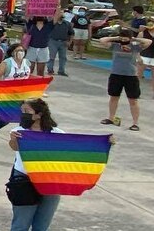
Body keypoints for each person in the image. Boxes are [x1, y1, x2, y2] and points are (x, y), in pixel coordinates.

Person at [8, 99, 116, 231]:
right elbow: (14, 147)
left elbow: (75, 149)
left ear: (39, 114)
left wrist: (105, 142)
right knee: (21, 224)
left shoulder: (57, 133)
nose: (23, 114)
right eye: (22, 111)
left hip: (51, 181)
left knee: (42, 225)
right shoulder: (19, 131)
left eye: (27, 111)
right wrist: (13, 139)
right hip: (24, 181)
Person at [99, 29, 152, 131]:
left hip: (130, 76)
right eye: (122, 37)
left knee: (133, 100)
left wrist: (134, 39)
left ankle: (135, 123)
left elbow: (148, 42)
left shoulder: (135, 47)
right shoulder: (115, 46)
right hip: (116, 74)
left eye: (125, 37)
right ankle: (111, 117)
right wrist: (116, 38)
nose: (124, 39)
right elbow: (102, 40)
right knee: (114, 97)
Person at [0, 44, 32, 146]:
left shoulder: (27, 63)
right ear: (12, 52)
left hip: (23, 95)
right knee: (6, 118)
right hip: (9, 95)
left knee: (26, 117)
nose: (20, 52)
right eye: (18, 50)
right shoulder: (6, 63)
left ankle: (22, 139)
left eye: (22, 50)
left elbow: (29, 76)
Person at [137, 19, 154, 100]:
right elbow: (135, 46)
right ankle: (135, 92)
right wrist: (138, 56)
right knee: (139, 75)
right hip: (144, 55)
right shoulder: (142, 33)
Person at [24, 13, 57, 77]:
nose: (40, 15)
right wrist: (29, 3)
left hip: (43, 50)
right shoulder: (30, 24)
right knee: (29, 70)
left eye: (42, 13)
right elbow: (27, 14)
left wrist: (58, 6)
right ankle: (27, 84)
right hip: (31, 49)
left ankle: (38, 85)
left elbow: (56, 17)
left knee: (40, 71)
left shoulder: (49, 25)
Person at [46, 10, 74, 77]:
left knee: (63, 57)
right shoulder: (52, 23)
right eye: (60, 12)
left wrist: (69, 42)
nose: (61, 14)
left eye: (62, 13)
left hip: (63, 42)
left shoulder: (67, 24)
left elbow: (71, 33)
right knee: (51, 56)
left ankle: (61, 71)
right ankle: (50, 70)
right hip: (53, 41)